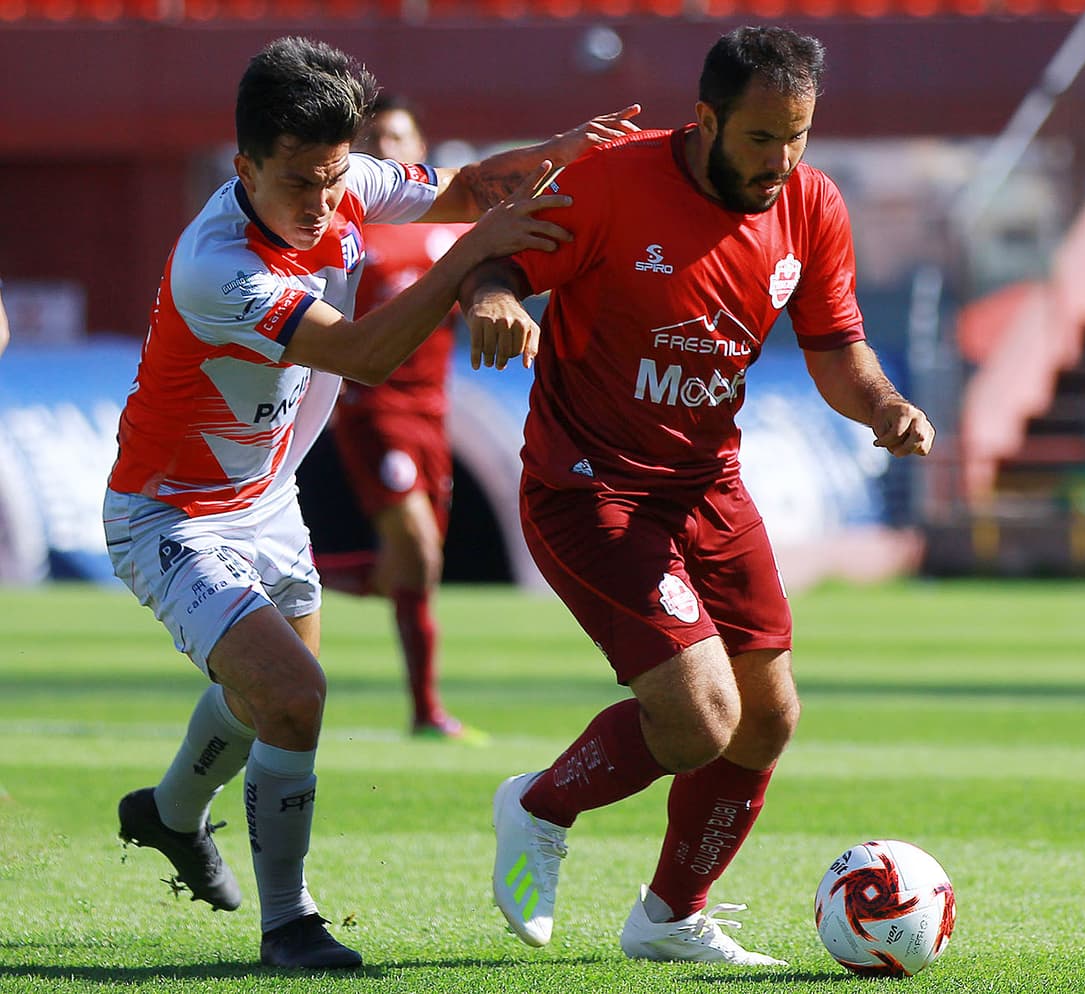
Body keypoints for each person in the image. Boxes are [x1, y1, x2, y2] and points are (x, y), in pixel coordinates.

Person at [103, 35, 639, 970]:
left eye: (332, 177)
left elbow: (461, 188)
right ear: (244, 166)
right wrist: (472, 258)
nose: (321, 203)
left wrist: (556, 151)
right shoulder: (217, 266)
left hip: (265, 498)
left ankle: (169, 814)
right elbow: (364, 355)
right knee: (298, 696)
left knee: (265, 700)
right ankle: (289, 926)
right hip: (171, 515)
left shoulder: (342, 176)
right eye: (299, 184)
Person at [461, 25, 934, 966]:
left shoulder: (809, 204)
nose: (781, 160)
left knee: (767, 717)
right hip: (589, 486)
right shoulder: (611, 181)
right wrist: (497, 301)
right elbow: (497, 256)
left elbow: (837, 352)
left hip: (707, 486)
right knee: (697, 719)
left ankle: (671, 918)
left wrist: (883, 407)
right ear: (707, 119)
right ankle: (539, 806)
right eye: (761, 138)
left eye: (798, 137)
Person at [323, 94, 480, 741]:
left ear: (421, 150)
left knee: (413, 569)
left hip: (432, 414)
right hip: (372, 408)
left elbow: (495, 283)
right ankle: (427, 712)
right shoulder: (345, 229)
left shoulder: (453, 231)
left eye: (398, 138)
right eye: (375, 140)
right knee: (415, 548)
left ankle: (291, 568)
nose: (387, 149)